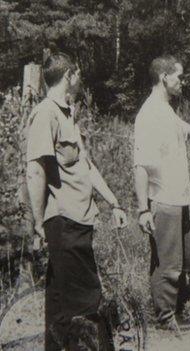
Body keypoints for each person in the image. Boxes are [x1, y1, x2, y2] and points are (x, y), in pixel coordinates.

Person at [25, 52, 128, 350]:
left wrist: (114, 203)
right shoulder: (46, 113)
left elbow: (86, 165)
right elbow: (35, 171)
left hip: (78, 223)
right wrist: (39, 224)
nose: (81, 79)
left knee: (60, 309)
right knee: (87, 302)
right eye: (79, 74)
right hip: (64, 223)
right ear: (69, 76)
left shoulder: (67, 113)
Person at [133, 55, 190, 333]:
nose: (182, 82)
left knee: (182, 262)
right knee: (167, 265)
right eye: (178, 77)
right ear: (163, 78)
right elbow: (141, 166)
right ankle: (165, 318)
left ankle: (176, 311)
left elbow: (183, 127)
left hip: (180, 199)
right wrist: (143, 209)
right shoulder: (149, 114)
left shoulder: (166, 110)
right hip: (164, 200)